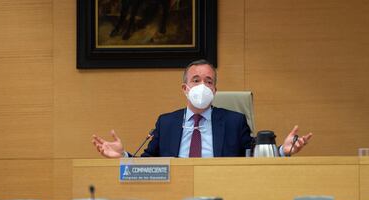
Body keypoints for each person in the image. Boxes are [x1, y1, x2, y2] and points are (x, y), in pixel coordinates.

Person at [92, 59, 312, 158]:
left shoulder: (234, 121)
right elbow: (149, 164)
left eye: (208, 81)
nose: (202, 86)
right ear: (185, 88)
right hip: (175, 190)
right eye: (196, 80)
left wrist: (282, 151)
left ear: (215, 90)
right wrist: (123, 156)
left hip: (223, 191)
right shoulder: (166, 122)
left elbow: (252, 157)